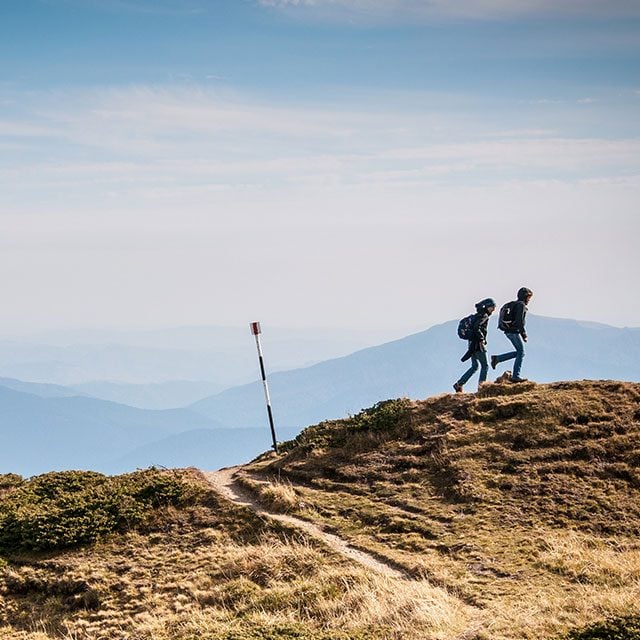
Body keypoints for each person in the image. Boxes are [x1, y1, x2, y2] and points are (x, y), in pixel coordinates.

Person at [453, 298, 496, 393]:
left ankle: (459, 384)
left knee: (475, 366)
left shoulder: (477, 315)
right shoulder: (484, 316)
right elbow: (477, 327)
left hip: (471, 343)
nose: (493, 309)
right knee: (485, 366)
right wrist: (481, 339)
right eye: (492, 307)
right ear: (487, 307)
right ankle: (482, 388)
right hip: (478, 344)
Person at [491, 287, 533, 383]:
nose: (529, 300)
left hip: (507, 331)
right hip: (513, 331)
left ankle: (497, 359)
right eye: (529, 298)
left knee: (519, 352)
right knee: (521, 352)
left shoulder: (513, 304)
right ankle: (515, 376)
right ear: (525, 297)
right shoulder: (521, 306)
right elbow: (519, 322)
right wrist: (524, 335)